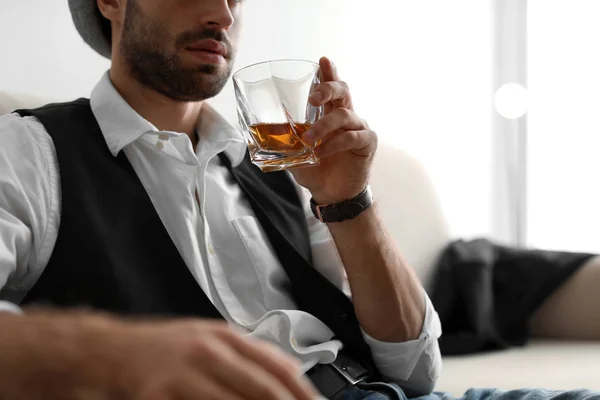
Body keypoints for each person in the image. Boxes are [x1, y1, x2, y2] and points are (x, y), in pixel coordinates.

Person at [0, 1, 596, 400]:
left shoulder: (277, 164)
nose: (222, 13)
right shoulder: (29, 151)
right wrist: (113, 354)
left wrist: (348, 201)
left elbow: (415, 372)